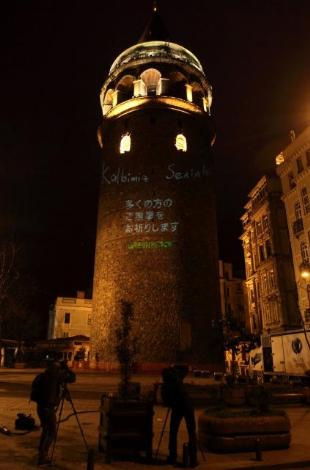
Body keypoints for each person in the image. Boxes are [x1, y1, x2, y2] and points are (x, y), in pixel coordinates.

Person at [31, 359, 76, 465]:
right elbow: (73, 378)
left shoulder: (43, 375)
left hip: (40, 408)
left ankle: (41, 452)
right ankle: (43, 455)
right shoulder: (57, 376)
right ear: (55, 368)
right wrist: (67, 368)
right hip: (49, 409)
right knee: (51, 432)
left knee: (46, 430)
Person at [161, 365, 198, 467]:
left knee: (173, 432)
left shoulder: (166, 386)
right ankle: (193, 459)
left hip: (177, 407)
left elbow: (165, 402)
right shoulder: (178, 376)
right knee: (191, 432)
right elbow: (186, 368)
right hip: (187, 405)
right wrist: (174, 366)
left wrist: (171, 402)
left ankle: (172, 456)